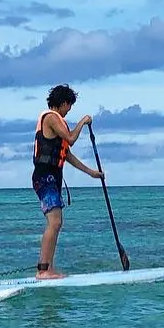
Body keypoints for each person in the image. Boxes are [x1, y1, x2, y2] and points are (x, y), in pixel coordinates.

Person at [32, 84, 102, 280]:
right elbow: (71, 139)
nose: (69, 110)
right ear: (63, 103)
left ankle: (48, 268)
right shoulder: (52, 118)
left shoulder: (57, 122)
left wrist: (90, 173)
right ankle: (43, 270)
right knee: (55, 222)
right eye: (69, 106)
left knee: (56, 223)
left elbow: (67, 154)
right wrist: (83, 121)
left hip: (52, 177)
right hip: (45, 176)